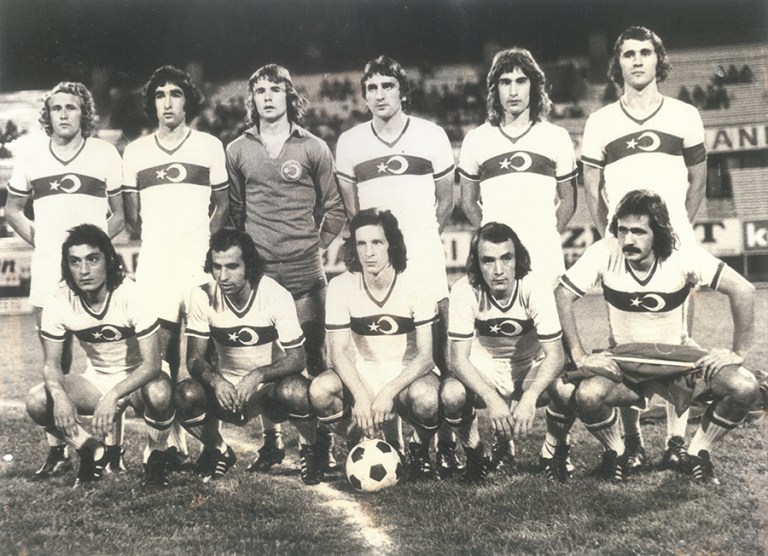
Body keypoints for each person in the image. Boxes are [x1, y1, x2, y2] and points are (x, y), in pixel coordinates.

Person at [555, 190, 759, 483]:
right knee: (587, 395)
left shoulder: (681, 255)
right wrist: (579, 355)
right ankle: (618, 452)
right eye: (623, 230)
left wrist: (738, 352)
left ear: (659, 233)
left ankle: (698, 452)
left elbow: (743, 289)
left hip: (678, 364)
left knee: (744, 386)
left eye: (639, 231)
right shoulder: (605, 251)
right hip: (626, 363)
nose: (628, 240)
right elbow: (562, 294)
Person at [581, 26, 708, 466]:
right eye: (628, 54)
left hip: (675, 244)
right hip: (625, 244)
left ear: (659, 60)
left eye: (645, 53)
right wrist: (611, 236)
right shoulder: (600, 122)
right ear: (617, 64)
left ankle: (675, 441)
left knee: (680, 339)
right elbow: (591, 187)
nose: (637, 60)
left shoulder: (685, 115)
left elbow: (698, 182)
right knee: (623, 339)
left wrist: (677, 233)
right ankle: (632, 441)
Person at [335, 55, 460, 476]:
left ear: (402, 91)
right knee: (382, 347)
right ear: (364, 95)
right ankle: (394, 442)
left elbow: (447, 201)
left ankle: (444, 444)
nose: (379, 94)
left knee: (437, 354)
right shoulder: (350, 142)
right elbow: (353, 210)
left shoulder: (432, 135)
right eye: (371, 88)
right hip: (377, 259)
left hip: (423, 257)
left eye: (387, 86)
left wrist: (415, 240)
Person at [226, 64, 345, 474]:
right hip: (262, 278)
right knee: (266, 358)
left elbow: (335, 208)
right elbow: (236, 210)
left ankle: (321, 445)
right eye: (260, 91)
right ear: (252, 99)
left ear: (289, 96)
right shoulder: (237, 149)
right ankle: (272, 441)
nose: (268, 97)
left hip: (305, 277)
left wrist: (316, 245)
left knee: (313, 358)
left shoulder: (313, 146)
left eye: (275, 90)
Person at [5, 81, 125, 477]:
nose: (63, 114)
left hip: (93, 272)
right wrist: (44, 242)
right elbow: (13, 210)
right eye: (56, 108)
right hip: (48, 273)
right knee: (56, 360)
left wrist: (97, 250)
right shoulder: (32, 155)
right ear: (47, 115)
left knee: (111, 357)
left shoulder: (105, 153)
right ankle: (61, 449)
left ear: (84, 113)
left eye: (71, 107)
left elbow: (121, 215)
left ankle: (114, 451)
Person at [123, 65, 230, 464]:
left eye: (175, 94)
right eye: (160, 95)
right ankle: (161, 446)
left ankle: (212, 447)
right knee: (158, 362)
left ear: (188, 101)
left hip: (198, 269)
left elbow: (224, 205)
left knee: (201, 362)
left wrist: (201, 245)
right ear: (152, 103)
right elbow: (132, 218)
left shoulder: (209, 145)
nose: (167, 102)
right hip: (156, 269)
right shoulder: (136, 152)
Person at [25, 224, 175, 487]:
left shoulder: (132, 294)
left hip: (140, 378)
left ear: (109, 260)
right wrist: (59, 396)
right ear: (67, 266)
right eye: (75, 262)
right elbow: (51, 364)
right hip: (98, 379)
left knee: (160, 393)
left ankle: (155, 455)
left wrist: (113, 395)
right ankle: (93, 450)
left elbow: (152, 364)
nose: (84, 270)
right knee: (38, 400)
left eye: (92, 259)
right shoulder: (59, 300)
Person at [174, 229, 321, 484]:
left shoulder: (275, 295)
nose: (223, 276)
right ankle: (218, 450)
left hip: (268, 391)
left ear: (249, 266)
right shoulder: (202, 295)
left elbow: (298, 359)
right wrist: (217, 381)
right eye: (217, 267)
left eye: (232, 267)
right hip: (229, 389)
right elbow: (194, 360)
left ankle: (309, 450)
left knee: (296, 391)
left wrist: (258, 375)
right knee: (183, 394)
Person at [310, 209, 441, 480]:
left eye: (377, 242)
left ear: (391, 243)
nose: (368, 252)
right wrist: (360, 395)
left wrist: (389, 391)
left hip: (406, 375)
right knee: (320, 390)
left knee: (427, 399)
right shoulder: (341, 286)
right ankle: (363, 440)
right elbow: (338, 353)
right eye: (361, 243)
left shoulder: (417, 283)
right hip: (364, 372)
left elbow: (426, 357)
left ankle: (418, 447)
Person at [442, 223, 572, 483]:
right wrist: (491, 397)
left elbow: (556, 355)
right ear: (476, 263)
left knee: (566, 389)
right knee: (451, 393)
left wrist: (530, 396)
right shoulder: (464, 289)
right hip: (485, 368)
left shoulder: (535, 286)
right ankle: (475, 454)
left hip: (528, 368)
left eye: (506, 258)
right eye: (488, 261)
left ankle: (552, 452)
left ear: (518, 259)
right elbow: (457, 359)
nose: (498, 270)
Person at [459, 48, 577, 289]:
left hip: (544, 258)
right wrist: (494, 240)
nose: (513, 91)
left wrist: (546, 234)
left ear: (533, 86)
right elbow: (469, 202)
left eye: (521, 81)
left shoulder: (556, 137)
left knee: (549, 314)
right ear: (495, 89)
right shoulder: (476, 139)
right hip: (498, 262)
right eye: (505, 82)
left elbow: (569, 201)